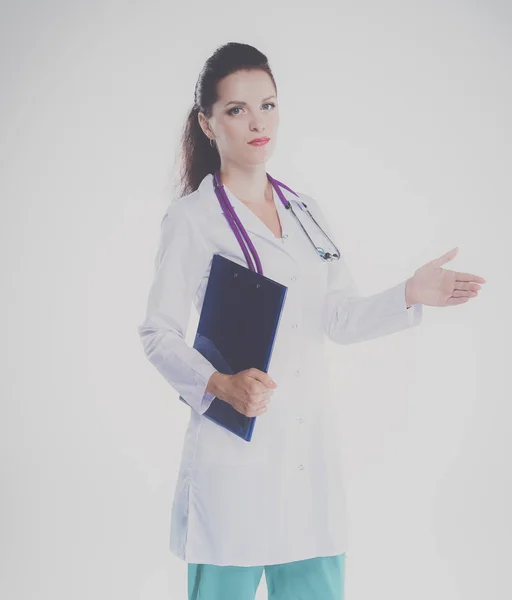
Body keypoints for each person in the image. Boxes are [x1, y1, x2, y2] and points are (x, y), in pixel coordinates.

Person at [137, 42, 486, 600]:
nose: (258, 122)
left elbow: (340, 318)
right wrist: (219, 384)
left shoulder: (306, 213)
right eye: (237, 109)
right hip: (235, 461)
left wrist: (409, 292)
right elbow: (157, 333)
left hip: (308, 466)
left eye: (268, 105)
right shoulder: (192, 219)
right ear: (207, 122)